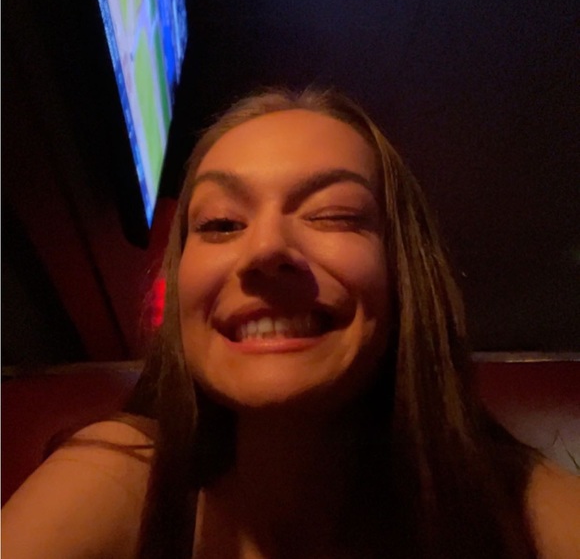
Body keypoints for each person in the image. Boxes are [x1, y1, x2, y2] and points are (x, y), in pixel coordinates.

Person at [2, 88, 579, 559]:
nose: (265, 249)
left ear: (406, 274)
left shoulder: (518, 507)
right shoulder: (123, 477)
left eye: (333, 215)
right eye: (222, 223)